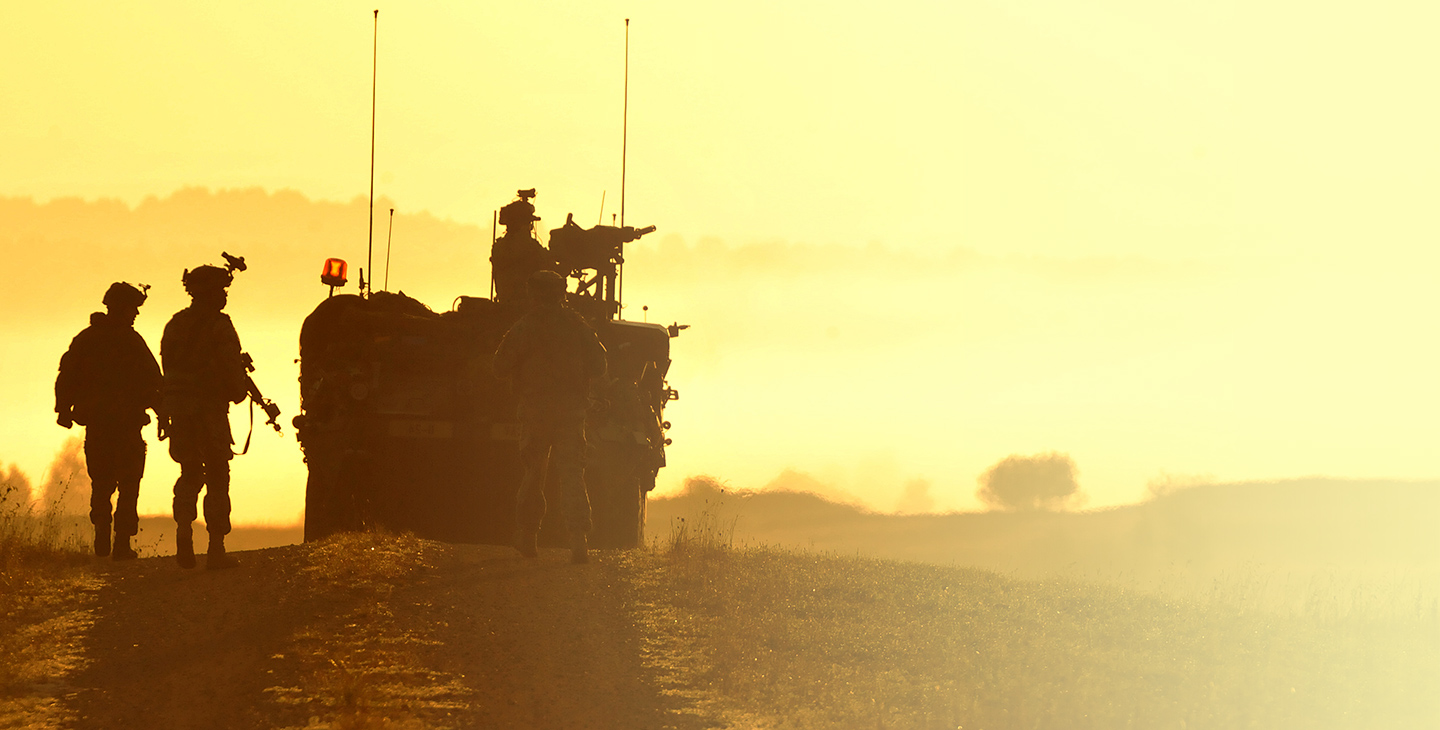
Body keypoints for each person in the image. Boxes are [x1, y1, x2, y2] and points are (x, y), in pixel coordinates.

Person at [493, 269, 608, 563]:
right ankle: (578, 540)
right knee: (572, 474)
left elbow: (500, 365)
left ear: (533, 294)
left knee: (534, 474)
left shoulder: (525, 326)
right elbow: (600, 364)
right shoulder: (577, 325)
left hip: (535, 411)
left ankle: (529, 537)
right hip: (570, 411)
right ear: (561, 293)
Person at [55, 282, 163, 560]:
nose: (136, 314)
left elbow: (65, 376)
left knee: (101, 484)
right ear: (120, 308)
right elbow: (154, 381)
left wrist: (64, 411)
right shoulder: (131, 341)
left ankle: (103, 533)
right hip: (126, 427)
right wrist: (164, 414)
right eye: (133, 308)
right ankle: (122, 544)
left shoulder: (85, 339)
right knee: (129, 485)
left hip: (99, 428)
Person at [160, 264, 248, 570]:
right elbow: (231, 370)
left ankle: (184, 533)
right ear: (210, 293)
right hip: (210, 412)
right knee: (217, 475)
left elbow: (167, 369)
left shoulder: (175, 325)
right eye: (221, 290)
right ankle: (215, 548)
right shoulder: (220, 326)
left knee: (189, 474)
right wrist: (238, 390)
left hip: (181, 413)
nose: (224, 295)